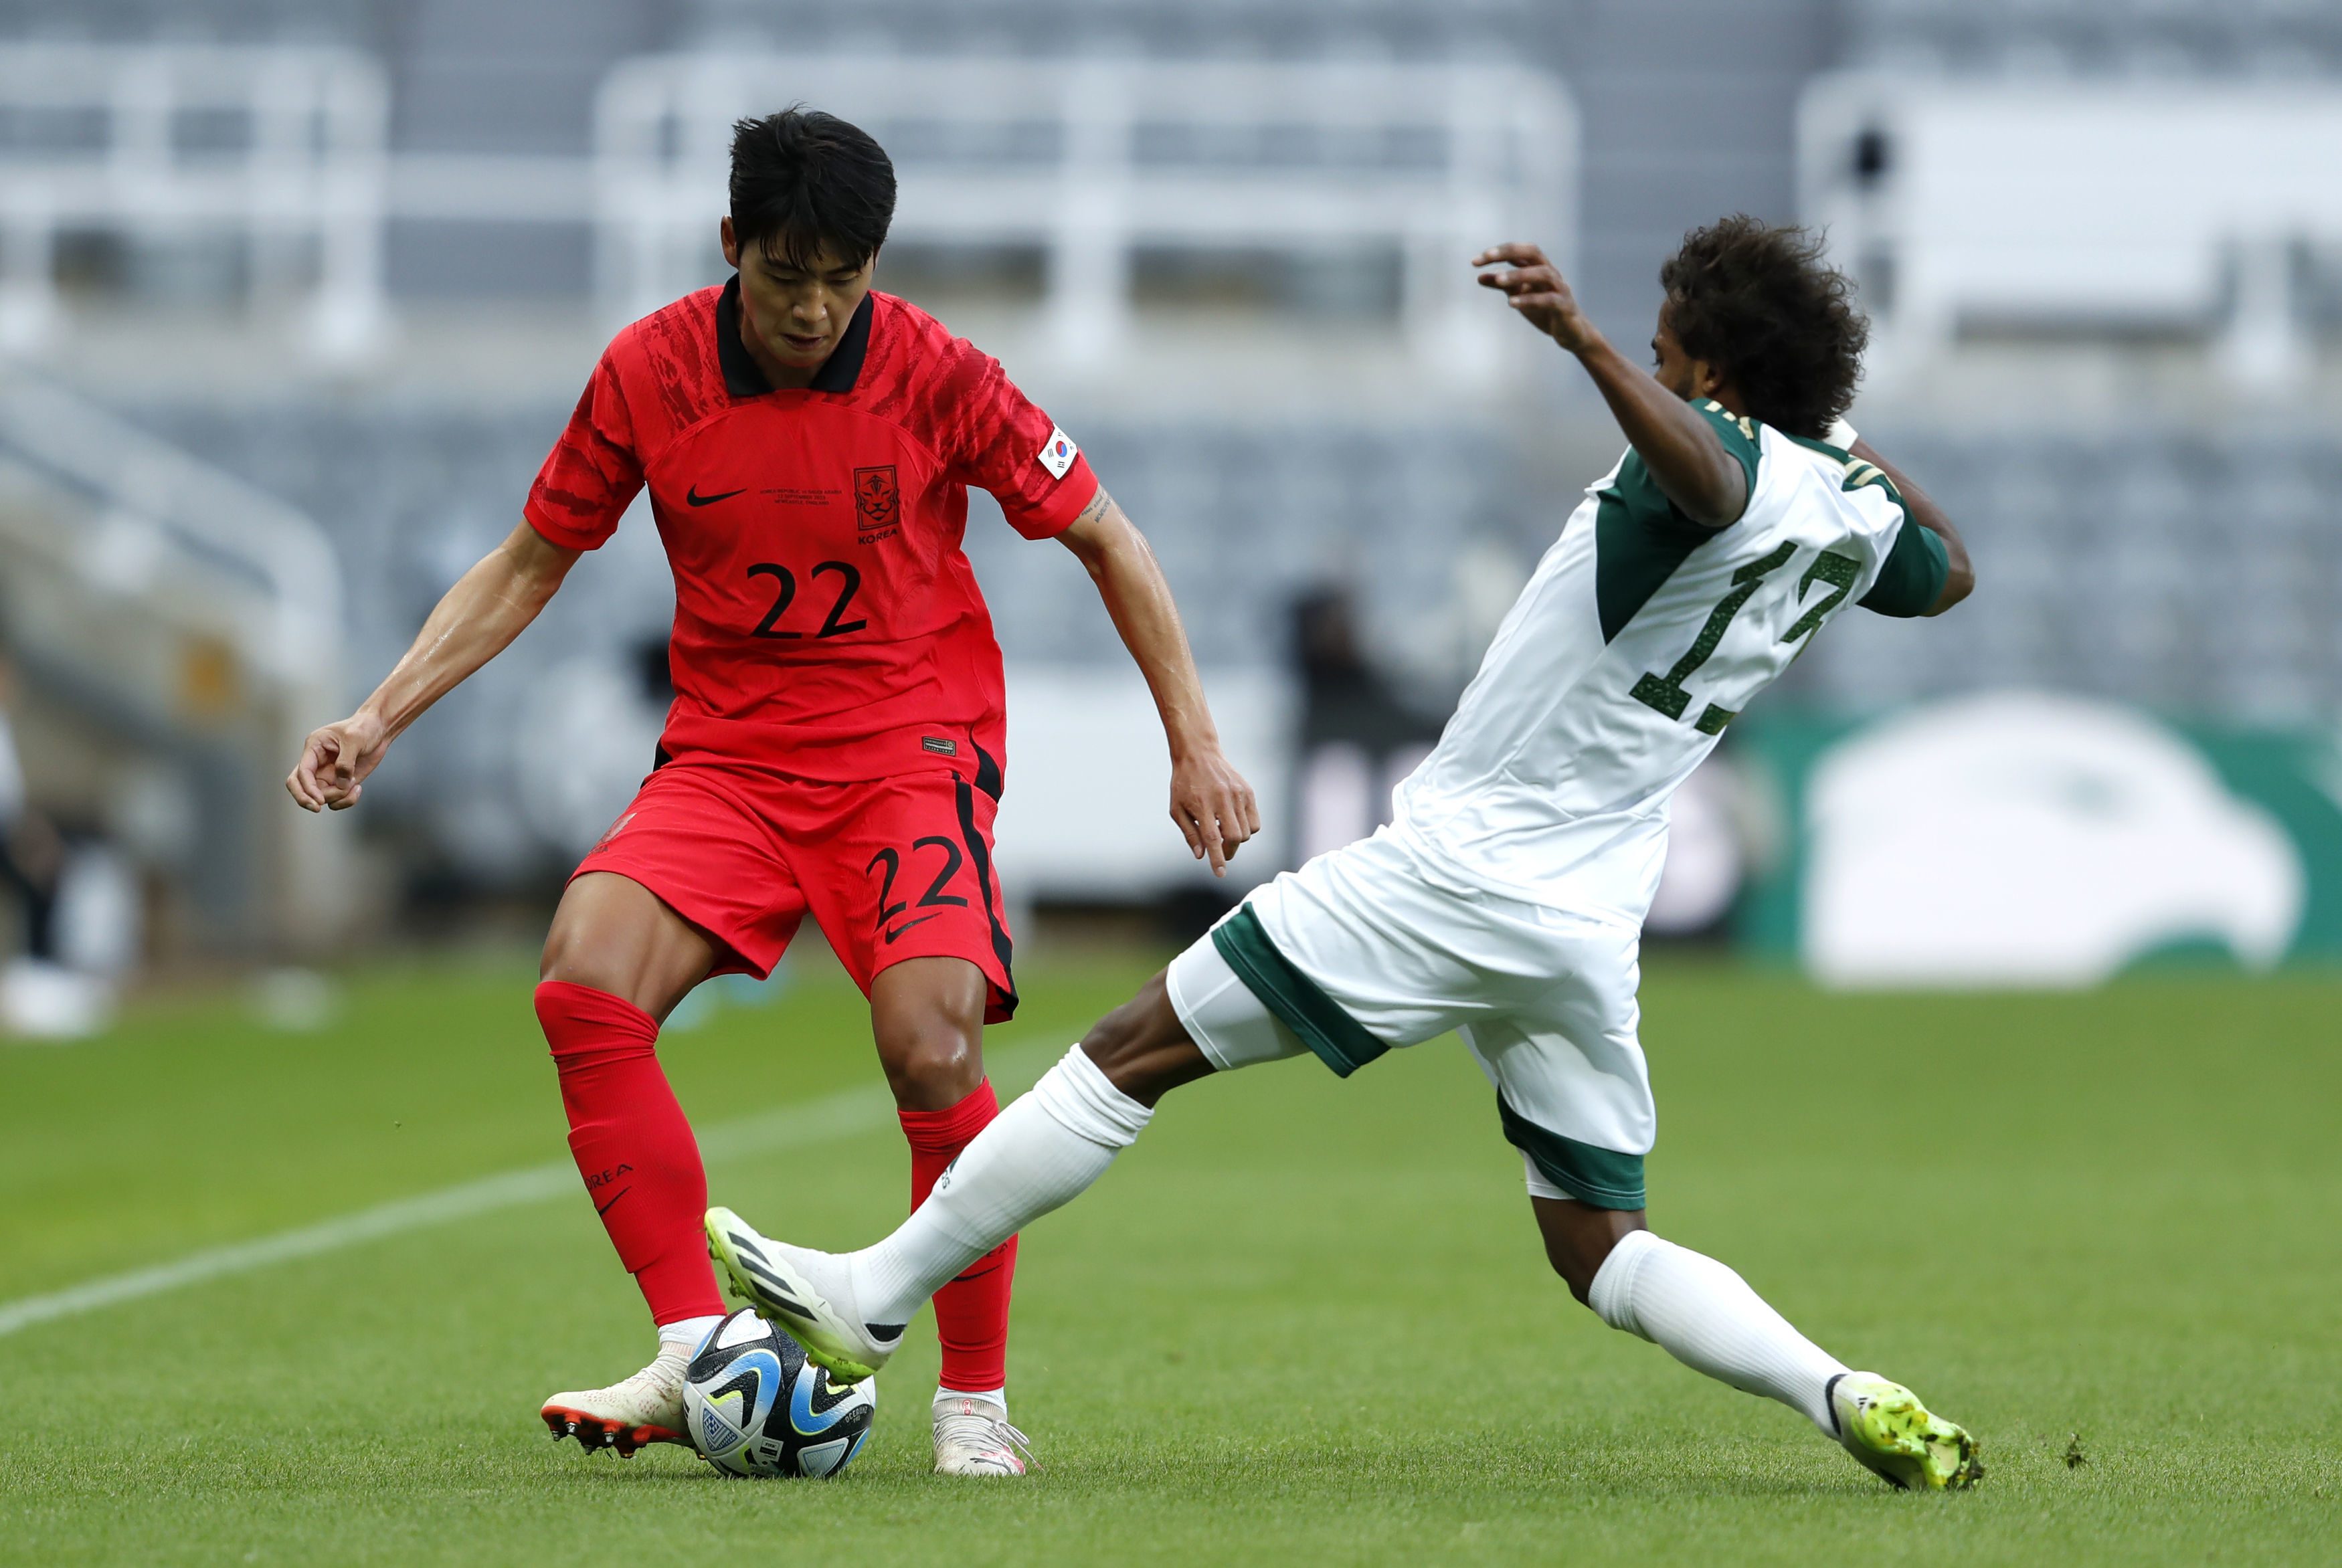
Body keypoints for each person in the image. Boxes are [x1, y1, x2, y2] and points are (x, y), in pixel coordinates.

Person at [705, 217, 1988, 1491]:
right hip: (1591, 915)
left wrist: (1589, 345)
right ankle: (1842, 1390)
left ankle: (873, 1297)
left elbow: (1713, 484)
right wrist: (1832, 426)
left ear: (1712, 382)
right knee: (1601, 1245)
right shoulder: (1854, 506)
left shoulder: (1708, 469)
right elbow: (1951, 575)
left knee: (1130, 1052)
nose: (1651, 377)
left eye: (1667, 360)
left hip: (1461, 871)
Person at [286, 109, 1259, 1476]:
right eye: (784, 273)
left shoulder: (938, 374)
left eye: (841, 279)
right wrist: (378, 710)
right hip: (730, 760)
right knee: (581, 982)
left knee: (930, 1045)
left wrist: (1195, 740)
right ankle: (695, 1349)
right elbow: (529, 560)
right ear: (729, 243)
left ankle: (972, 1402)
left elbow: (1106, 533)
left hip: (905, 749)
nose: (811, 308)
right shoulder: (647, 371)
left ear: (873, 266)